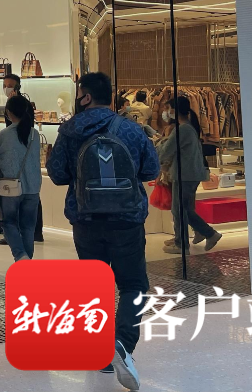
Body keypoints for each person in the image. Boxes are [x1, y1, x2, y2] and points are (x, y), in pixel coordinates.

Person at [47, 72, 159, 392]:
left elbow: (57, 175)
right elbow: (151, 169)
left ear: (85, 96)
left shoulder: (69, 131)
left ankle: (100, 353)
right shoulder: (131, 129)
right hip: (127, 219)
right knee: (133, 285)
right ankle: (122, 343)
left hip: (85, 219)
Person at [158, 97, 222, 254]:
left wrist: (159, 144)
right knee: (185, 208)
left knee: (180, 210)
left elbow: (166, 151)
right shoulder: (188, 128)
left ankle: (193, 239)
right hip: (188, 173)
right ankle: (197, 233)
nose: (166, 112)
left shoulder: (182, 130)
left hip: (184, 174)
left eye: (168, 109)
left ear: (174, 110)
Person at [0, 94, 42, 261]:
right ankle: (26, 261)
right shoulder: (35, 134)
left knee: (8, 223)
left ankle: (21, 256)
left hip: (10, 187)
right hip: (33, 187)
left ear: (9, 112)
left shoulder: (4, 135)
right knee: (28, 227)